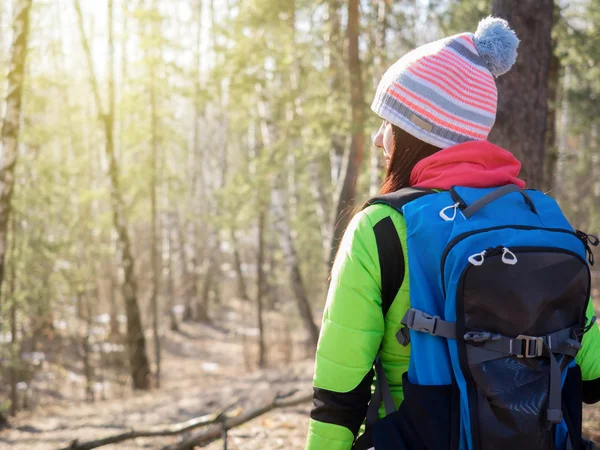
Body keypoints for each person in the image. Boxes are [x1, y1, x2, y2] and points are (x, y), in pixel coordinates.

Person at [305, 17, 600, 450]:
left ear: (417, 133)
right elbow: (591, 374)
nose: (377, 139)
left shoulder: (384, 227)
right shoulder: (542, 217)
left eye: (389, 122)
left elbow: (338, 396)